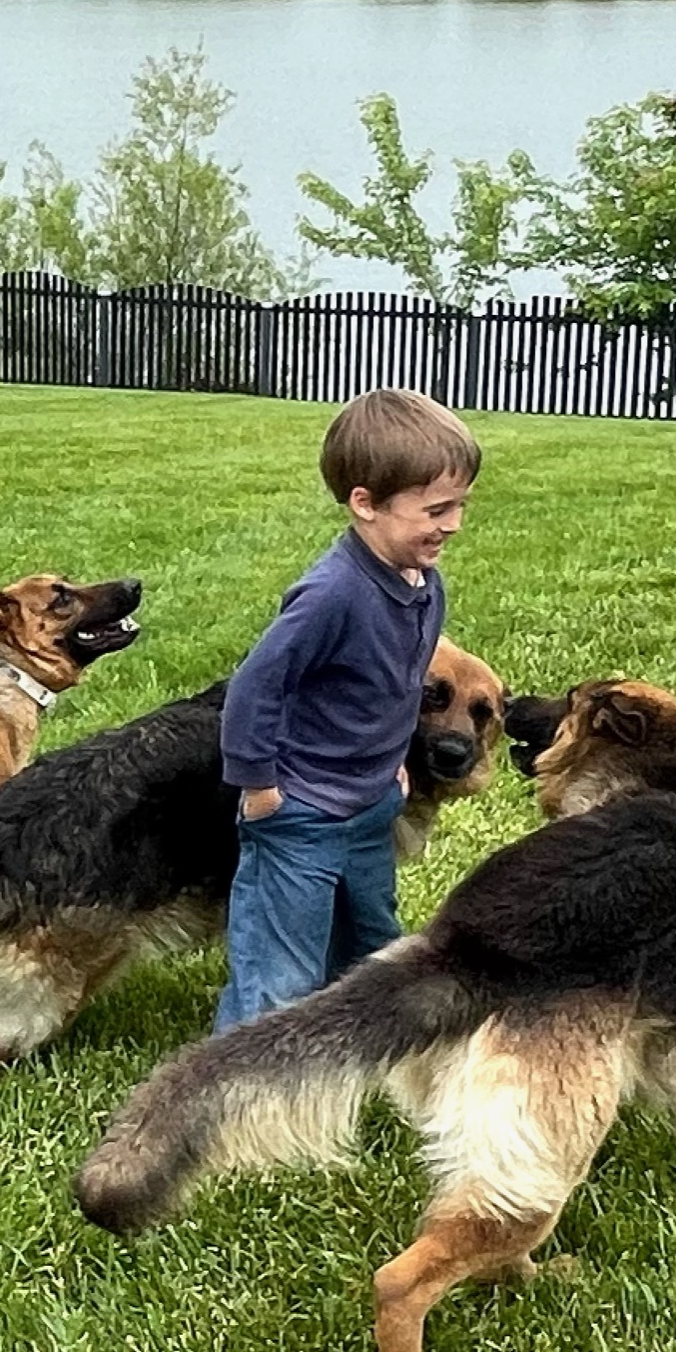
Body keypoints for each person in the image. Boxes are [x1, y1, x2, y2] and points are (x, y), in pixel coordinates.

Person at [213, 388, 481, 1033]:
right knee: (281, 972)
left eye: (460, 507)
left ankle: (351, 1057)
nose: (452, 525)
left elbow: (393, 684)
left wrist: (391, 765)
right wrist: (259, 786)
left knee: (370, 945)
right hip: (300, 809)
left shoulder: (423, 582)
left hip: (369, 803)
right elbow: (254, 689)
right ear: (365, 504)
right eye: (436, 509)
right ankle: (242, 1097)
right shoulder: (331, 594)